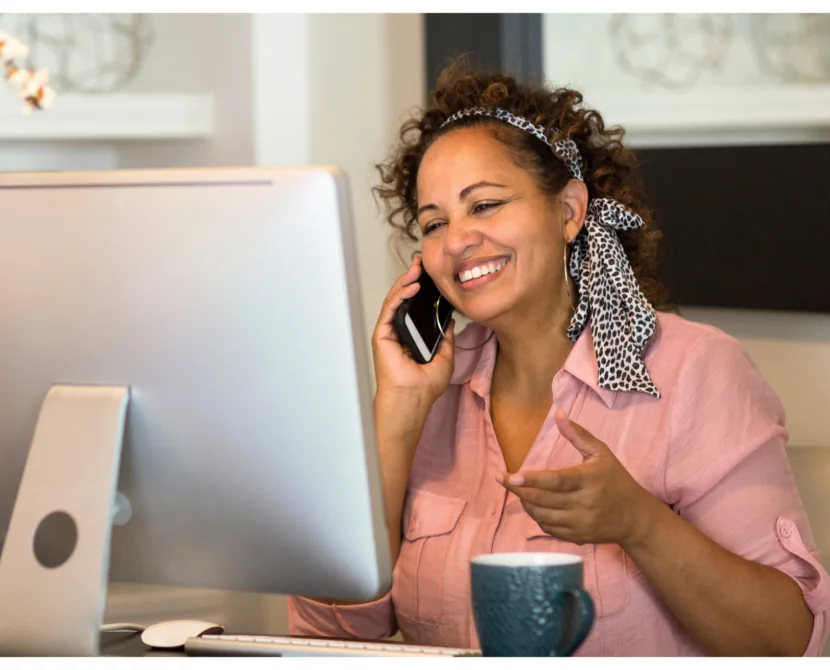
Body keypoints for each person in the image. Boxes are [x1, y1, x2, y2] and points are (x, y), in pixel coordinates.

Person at [287, 61, 830, 656]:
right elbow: (327, 640)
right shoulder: (428, 392)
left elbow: (790, 644)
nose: (458, 240)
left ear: (569, 211)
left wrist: (641, 524)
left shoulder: (696, 368)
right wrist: (396, 414)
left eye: (486, 205)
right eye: (434, 222)